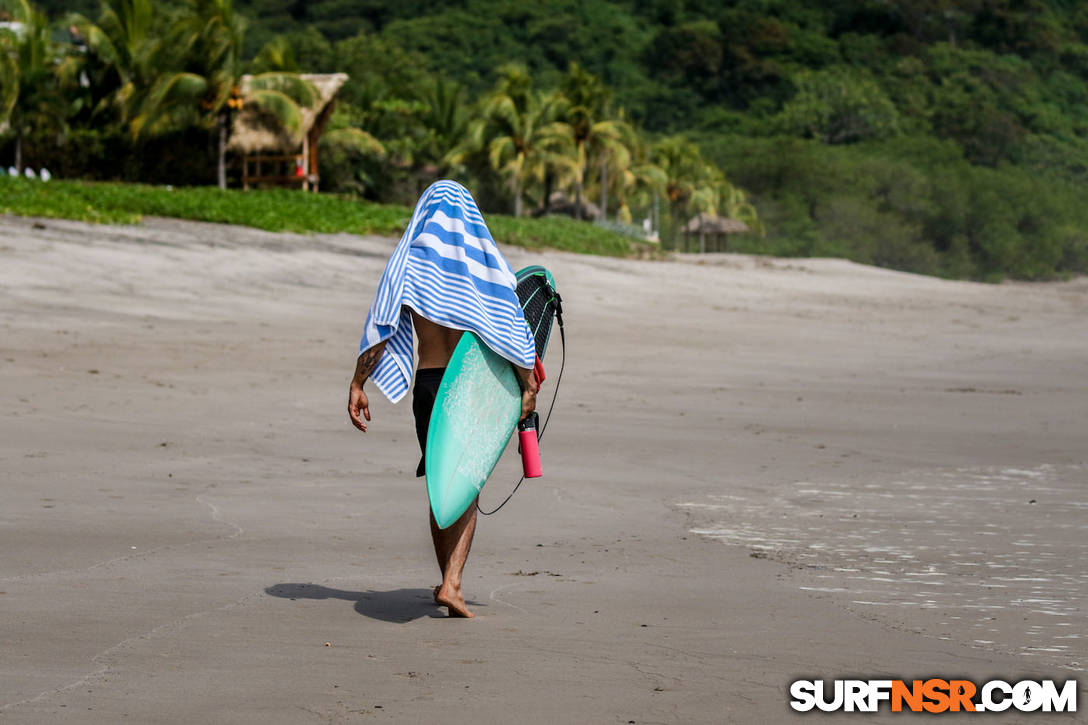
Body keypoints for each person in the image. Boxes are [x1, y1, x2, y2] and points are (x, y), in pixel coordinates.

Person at [347, 181, 538, 618]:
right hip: (472, 384)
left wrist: (358, 383)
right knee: (465, 482)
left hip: (430, 382)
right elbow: (511, 330)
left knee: (442, 485)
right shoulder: (483, 265)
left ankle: (449, 581)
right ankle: (452, 584)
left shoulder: (411, 263)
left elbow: (381, 325)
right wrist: (526, 385)